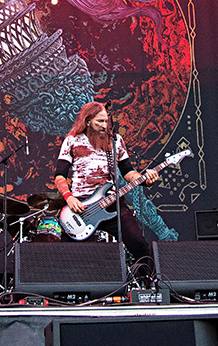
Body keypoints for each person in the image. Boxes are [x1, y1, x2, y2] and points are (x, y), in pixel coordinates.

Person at [53, 101, 158, 268]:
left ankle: (146, 287)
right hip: (81, 204)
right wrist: (69, 198)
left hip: (111, 202)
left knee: (139, 245)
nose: (104, 125)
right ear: (87, 122)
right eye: (99, 121)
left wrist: (145, 179)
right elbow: (59, 176)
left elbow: (128, 172)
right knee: (71, 253)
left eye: (106, 121)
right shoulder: (72, 140)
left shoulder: (115, 141)